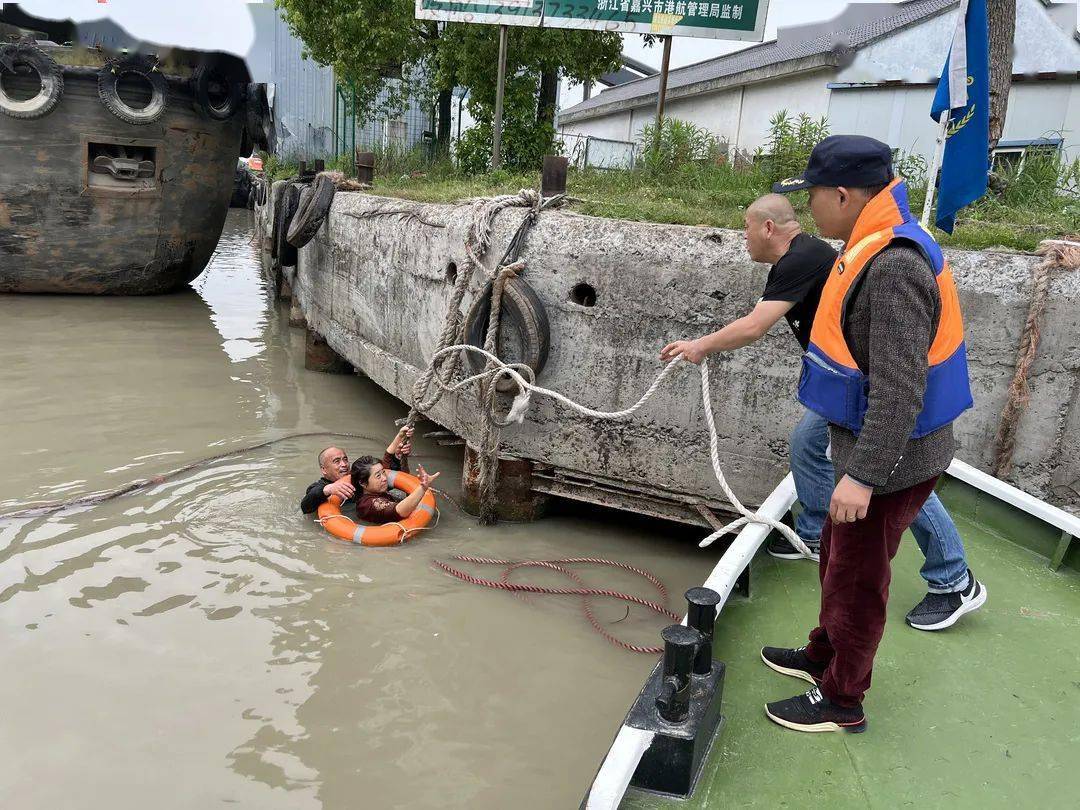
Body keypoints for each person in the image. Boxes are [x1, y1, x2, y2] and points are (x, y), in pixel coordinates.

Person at [661, 194, 985, 632]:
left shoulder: (803, 259)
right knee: (808, 444)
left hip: (871, 389)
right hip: (849, 386)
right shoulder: (804, 255)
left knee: (900, 477)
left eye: (745, 228)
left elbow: (756, 325)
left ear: (768, 228)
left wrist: (699, 345)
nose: (743, 237)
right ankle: (814, 531)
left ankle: (954, 580)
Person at [759, 134, 980, 732]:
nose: (809, 212)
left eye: (812, 199)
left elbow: (900, 389)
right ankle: (822, 655)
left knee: (857, 582)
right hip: (874, 454)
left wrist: (861, 477)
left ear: (843, 194)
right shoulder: (873, 243)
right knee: (836, 556)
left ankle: (843, 699)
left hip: (890, 463)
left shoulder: (890, 269)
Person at [299, 427, 413, 516]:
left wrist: (398, 456)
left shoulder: (356, 479)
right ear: (324, 469)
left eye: (345, 459)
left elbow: (384, 477)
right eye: (337, 461)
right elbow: (305, 507)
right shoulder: (319, 488)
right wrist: (328, 489)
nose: (344, 464)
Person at [350, 454, 440, 523]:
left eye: (383, 472)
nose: (385, 478)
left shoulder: (378, 491)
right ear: (363, 483)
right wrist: (422, 488)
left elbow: (405, 477)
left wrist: (403, 458)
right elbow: (400, 511)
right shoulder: (367, 504)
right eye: (378, 476)